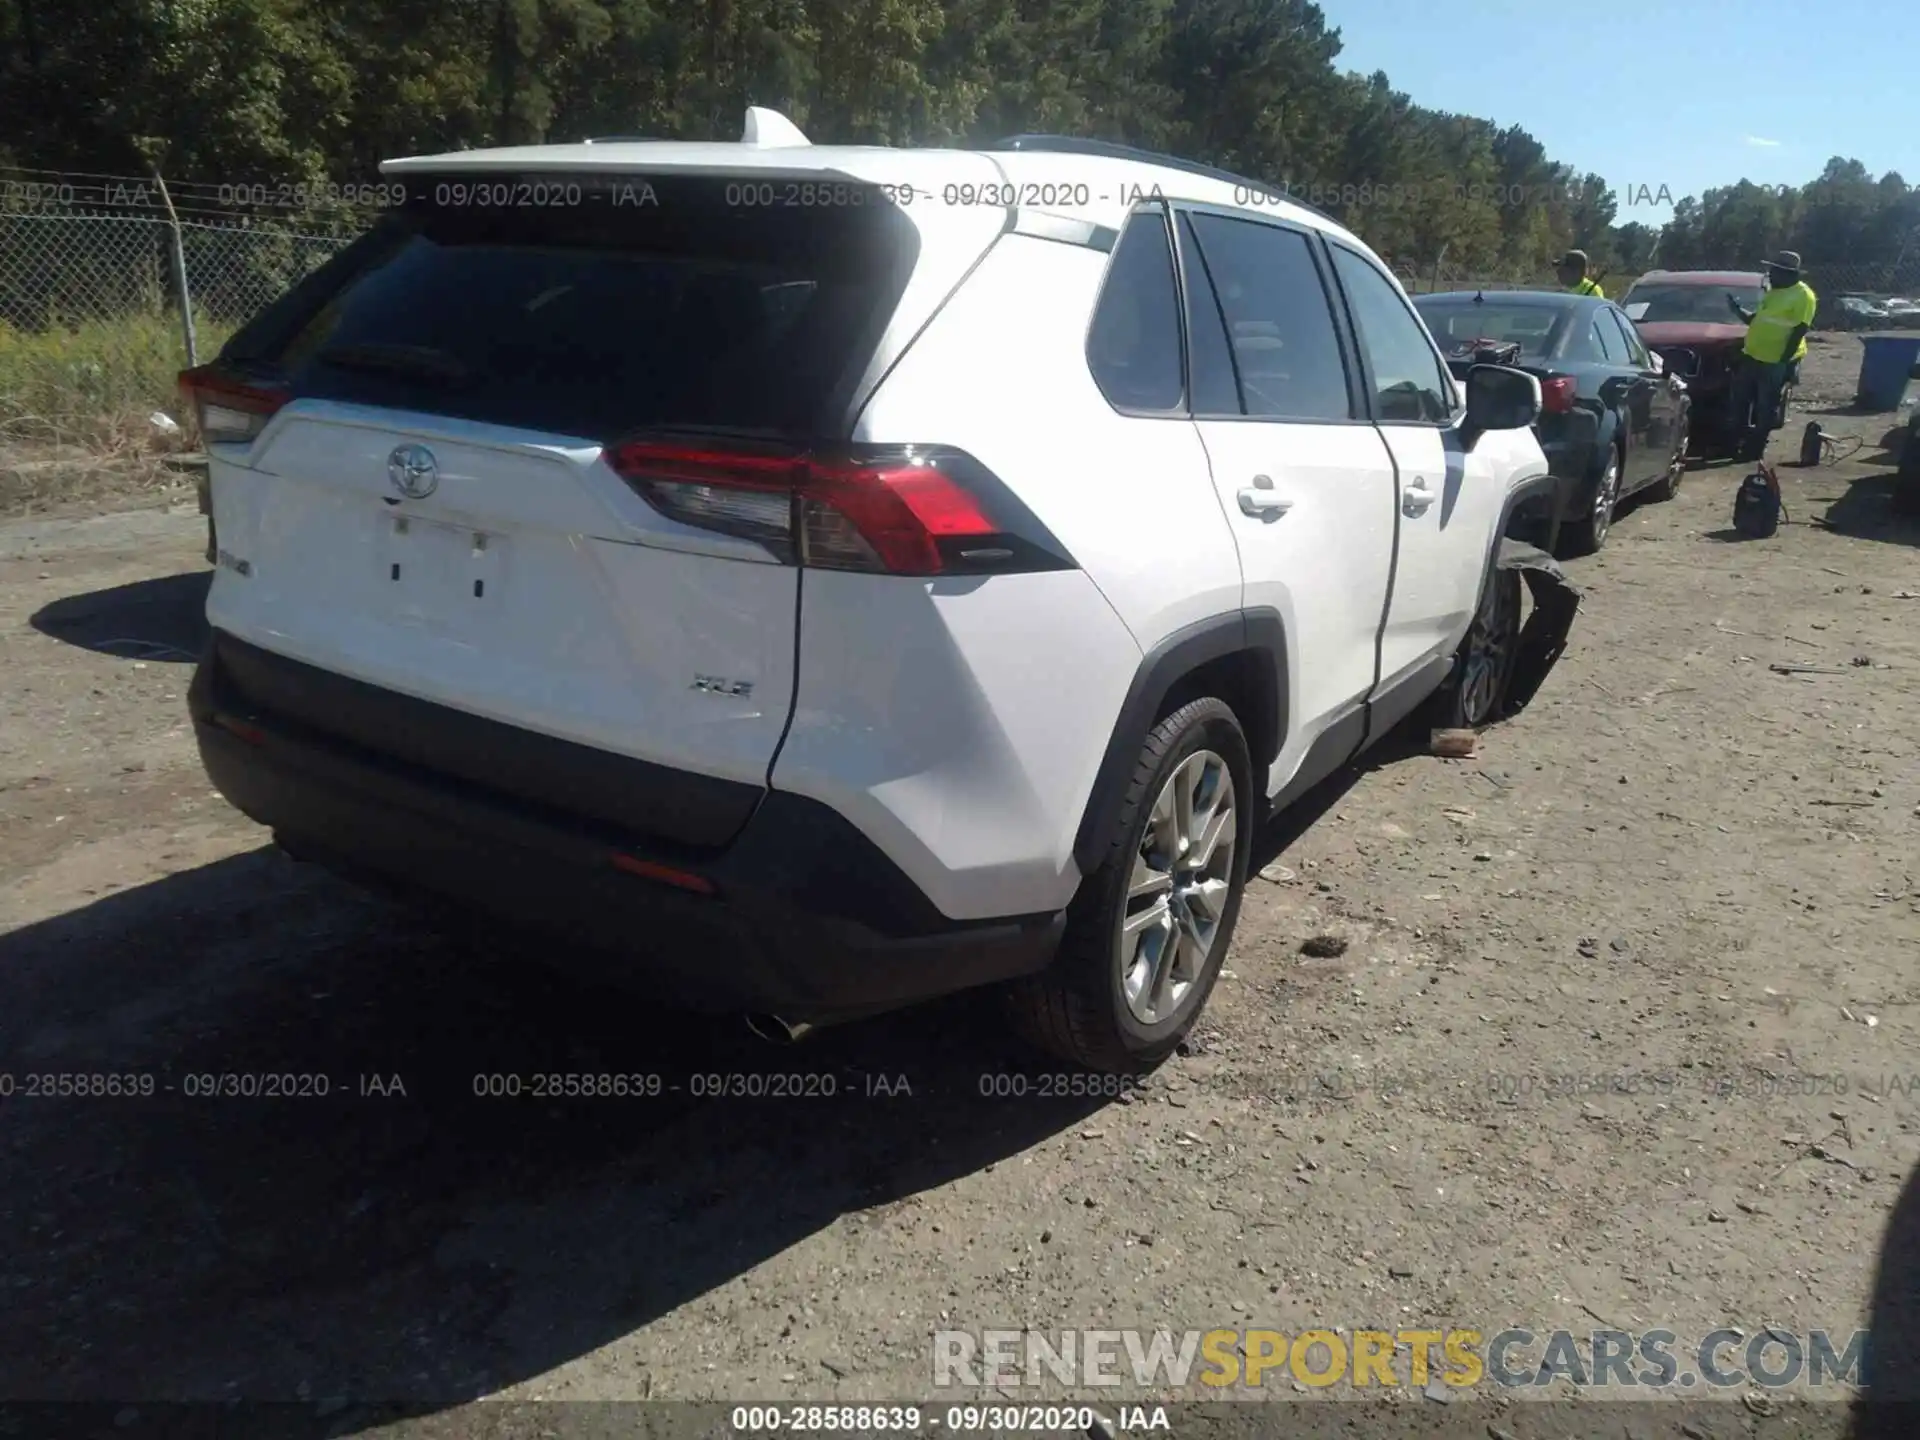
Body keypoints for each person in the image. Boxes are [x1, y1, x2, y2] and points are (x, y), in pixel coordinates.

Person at [1727, 251, 1817, 460]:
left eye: (1774, 271)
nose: (1770, 275)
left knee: (1766, 407)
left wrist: (1784, 362)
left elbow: (1799, 331)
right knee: (1740, 402)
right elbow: (1757, 321)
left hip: (1775, 362)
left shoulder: (1803, 296)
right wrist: (1737, 310)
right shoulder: (1773, 292)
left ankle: (1754, 450)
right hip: (1752, 356)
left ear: (1788, 274)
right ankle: (1734, 445)